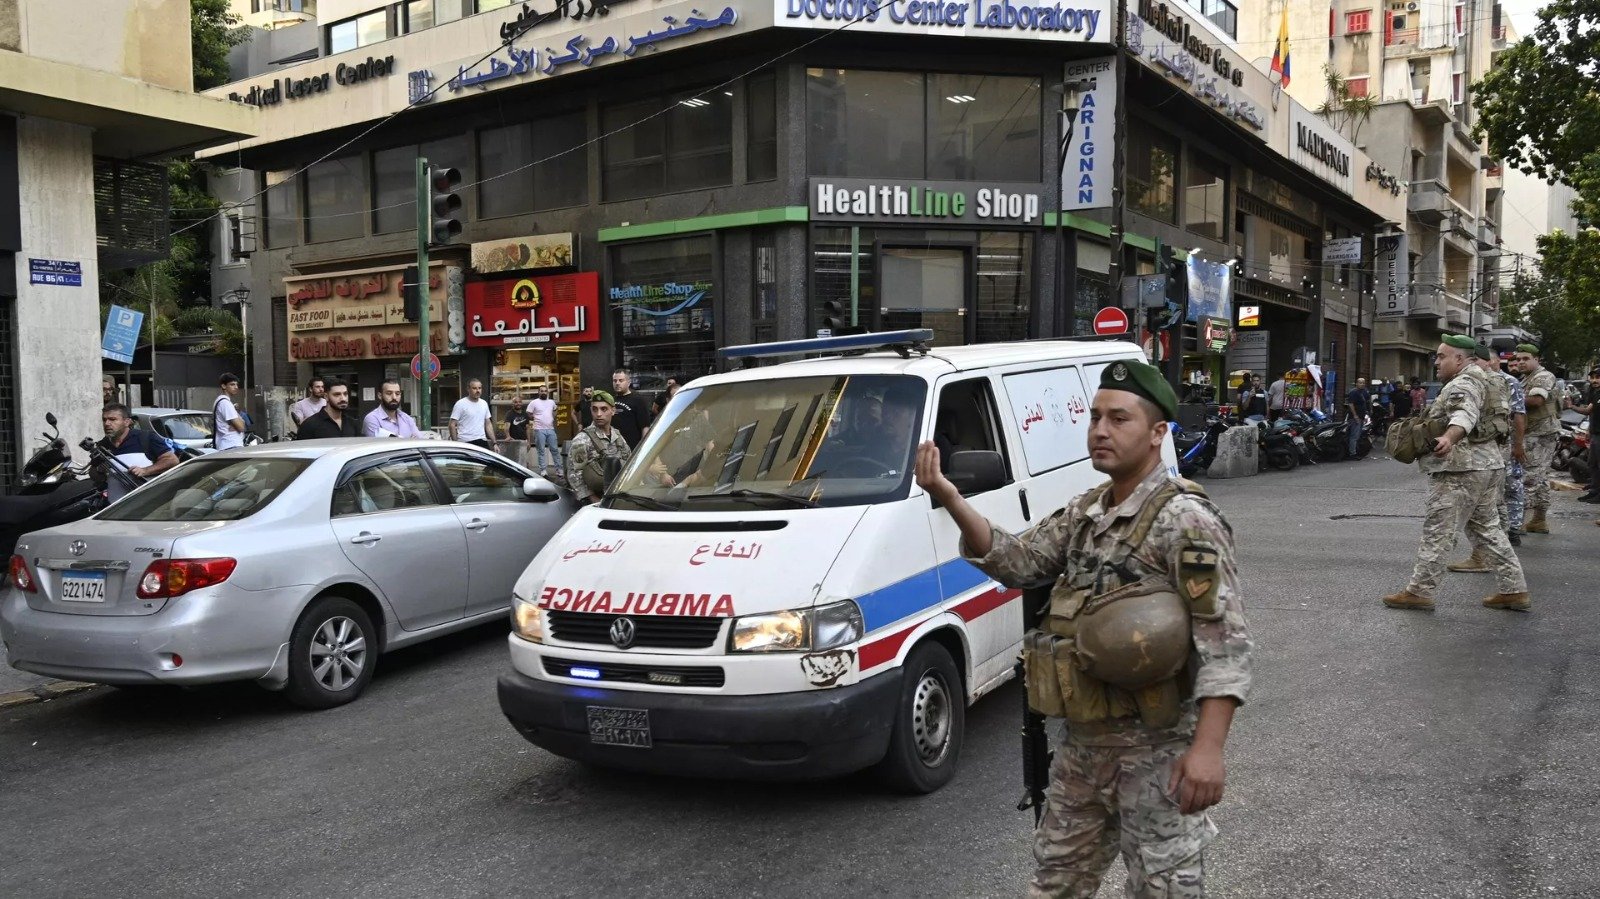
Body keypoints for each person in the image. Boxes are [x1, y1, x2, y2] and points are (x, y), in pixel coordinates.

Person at [916, 358, 1252, 897]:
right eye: (1095, 417)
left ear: (1158, 433)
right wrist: (950, 497)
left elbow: (1225, 643)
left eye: (1119, 419)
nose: (1099, 430)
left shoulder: (1186, 519)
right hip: (1083, 748)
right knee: (1055, 884)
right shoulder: (1087, 512)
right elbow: (1021, 562)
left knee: (1163, 889)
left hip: (1157, 750)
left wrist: (1208, 750)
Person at [1383, 335, 1528, 612]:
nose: (1436, 362)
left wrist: (1449, 437)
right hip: (1488, 465)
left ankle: (1419, 591)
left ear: (1460, 359)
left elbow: (1465, 413)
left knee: (1439, 530)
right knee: (1487, 529)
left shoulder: (1464, 383)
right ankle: (1514, 589)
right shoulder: (1493, 379)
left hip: (1460, 468)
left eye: (1441, 356)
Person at [1450, 344, 1527, 570]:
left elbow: (1518, 415)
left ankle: (1489, 556)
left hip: (1492, 448)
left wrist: (1518, 445)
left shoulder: (1503, 381)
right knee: (1489, 505)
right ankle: (1492, 558)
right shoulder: (1484, 381)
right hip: (1488, 448)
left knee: (1489, 505)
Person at [1513, 344, 1559, 534]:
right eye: (1519, 359)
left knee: (1529, 479)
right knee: (1540, 479)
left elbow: (1536, 401)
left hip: (1540, 435)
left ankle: (1516, 524)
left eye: (1526, 358)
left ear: (1536, 360)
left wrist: (1508, 397)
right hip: (1534, 433)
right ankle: (1539, 520)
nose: (1521, 362)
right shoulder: (1527, 379)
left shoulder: (1543, 376)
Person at [95, 404, 179, 503]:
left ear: (127, 422)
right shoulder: (102, 445)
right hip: (115, 508)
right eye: (104, 420)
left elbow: (172, 460)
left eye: (112, 419)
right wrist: (98, 470)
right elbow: (94, 475)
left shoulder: (145, 438)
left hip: (148, 505)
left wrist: (145, 470)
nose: (107, 423)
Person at [566, 390, 632, 504]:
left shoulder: (618, 437)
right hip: (595, 502)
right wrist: (593, 500)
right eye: (594, 409)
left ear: (613, 410)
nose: (599, 414)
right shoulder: (582, 439)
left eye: (604, 409)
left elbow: (629, 464)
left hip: (619, 498)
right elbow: (574, 474)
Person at [1566, 368, 1600, 503]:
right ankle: (1595, 491)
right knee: (1593, 465)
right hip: (1595, 434)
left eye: (1598, 377)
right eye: (1592, 377)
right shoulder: (1595, 393)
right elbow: (1589, 411)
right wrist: (1571, 406)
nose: (1594, 380)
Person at [297, 378, 362, 439]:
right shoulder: (310, 425)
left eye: (345, 394)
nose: (343, 398)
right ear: (326, 396)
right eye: (337, 394)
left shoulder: (352, 423)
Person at [610, 368, 654, 448]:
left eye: (621, 380)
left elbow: (645, 426)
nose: (617, 383)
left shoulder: (638, 400)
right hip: (613, 448)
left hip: (632, 447)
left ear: (628, 382)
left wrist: (643, 448)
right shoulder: (610, 400)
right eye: (615, 381)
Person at [449, 378, 493, 449]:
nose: (478, 390)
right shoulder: (460, 404)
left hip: (482, 440)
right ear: (468, 389)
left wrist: (494, 442)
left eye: (479, 388)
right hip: (466, 441)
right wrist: (456, 444)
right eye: (474, 388)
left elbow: (488, 423)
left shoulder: (484, 403)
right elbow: (452, 425)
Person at [529, 387, 560, 475]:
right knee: (541, 450)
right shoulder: (534, 402)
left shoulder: (551, 402)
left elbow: (555, 409)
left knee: (555, 449)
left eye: (545, 391)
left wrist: (552, 417)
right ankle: (543, 470)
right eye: (541, 391)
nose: (543, 392)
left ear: (547, 392)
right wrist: (535, 418)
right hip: (539, 429)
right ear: (538, 392)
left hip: (550, 429)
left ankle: (558, 469)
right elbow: (529, 413)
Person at [213, 373, 246, 450]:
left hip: (228, 444)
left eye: (236, 385)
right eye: (232, 384)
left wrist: (236, 424)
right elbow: (241, 427)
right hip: (231, 445)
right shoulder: (225, 403)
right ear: (223, 386)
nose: (236, 387)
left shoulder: (221, 401)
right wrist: (239, 421)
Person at [1344, 377, 1370, 458]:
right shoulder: (1353, 392)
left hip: (1362, 417)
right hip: (1355, 418)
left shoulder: (1364, 392)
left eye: (1363, 383)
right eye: (1360, 382)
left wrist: (1366, 414)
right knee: (1354, 436)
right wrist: (1355, 415)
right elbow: (1351, 404)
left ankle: (1355, 451)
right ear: (1356, 383)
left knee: (1358, 435)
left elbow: (1365, 403)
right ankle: (1352, 453)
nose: (1362, 384)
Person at [505, 395, 532, 465]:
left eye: (519, 402)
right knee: (514, 461)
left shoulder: (525, 414)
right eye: (516, 402)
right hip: (513, 441)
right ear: (513, 404)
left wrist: (529, 441)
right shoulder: (509, 414)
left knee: (524, 461)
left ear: (522, 403)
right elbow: (506, 427)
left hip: (523, 441)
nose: (518, 403)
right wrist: (508, 436)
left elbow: (527, 428)